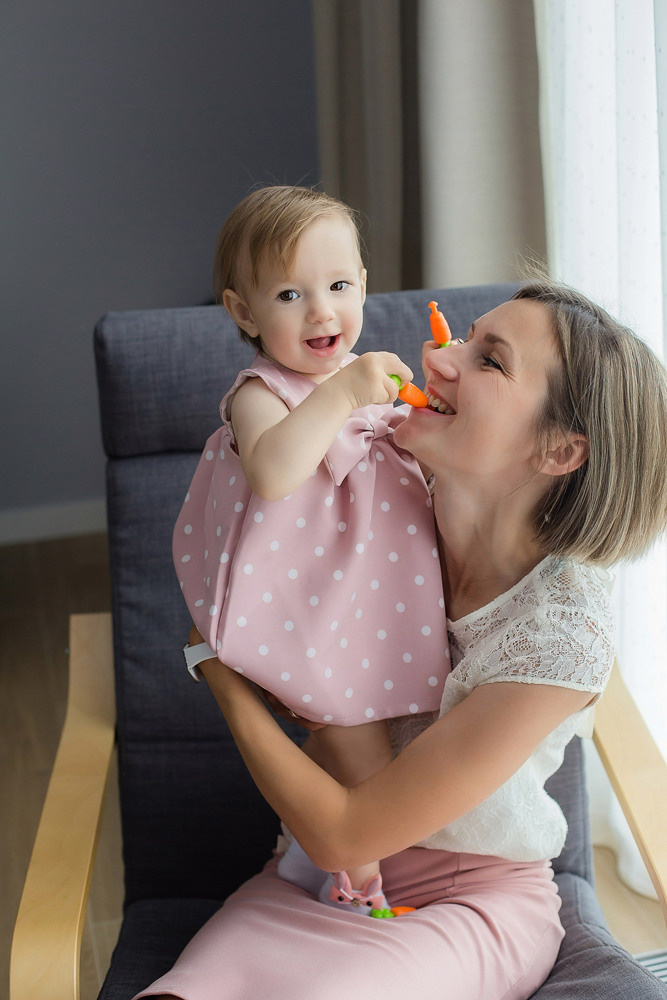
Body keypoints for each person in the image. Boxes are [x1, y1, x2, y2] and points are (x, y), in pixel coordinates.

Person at [138, 280, 667, 1000]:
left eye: (489, 361)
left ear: (559, 450)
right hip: (312, 879)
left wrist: (221, 678)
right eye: (461, 337)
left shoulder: (560, 635)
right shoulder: (369, 482)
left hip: (465, 901)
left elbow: (346, 832)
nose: (437, 360)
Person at [172, 185, 448, 911]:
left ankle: (303, 861)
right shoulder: (262, 392)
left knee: (372, 750)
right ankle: (361, 892)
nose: (322, 312)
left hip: (379, 605)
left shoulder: (373, 379)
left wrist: (428, 403)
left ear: (364, 285)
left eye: (338, 286)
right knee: (362, 761)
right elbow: (273, 471)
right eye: (290, 295)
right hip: (311, 611)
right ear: (244, 313)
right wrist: (344, 395)